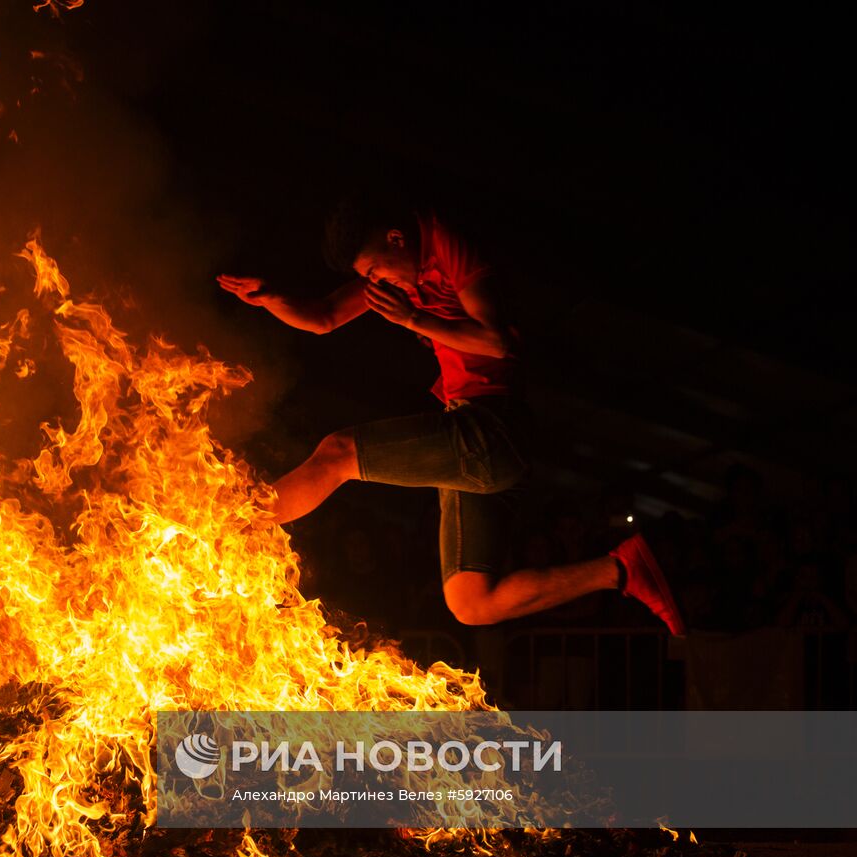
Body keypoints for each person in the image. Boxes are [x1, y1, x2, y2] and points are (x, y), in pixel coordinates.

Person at [217, 199, 685, 634]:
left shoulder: (447, 244)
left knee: (338, 453)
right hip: (476, 439)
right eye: (367, 276)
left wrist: (414, 320)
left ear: (397, 239)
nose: (376, 281)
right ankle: (621, 569)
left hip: (492, 426)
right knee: (471, 602)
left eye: (375, 268)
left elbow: (499, 342)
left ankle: (230, 531)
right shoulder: (396, 276)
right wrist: (272, 297)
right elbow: (324, 317)